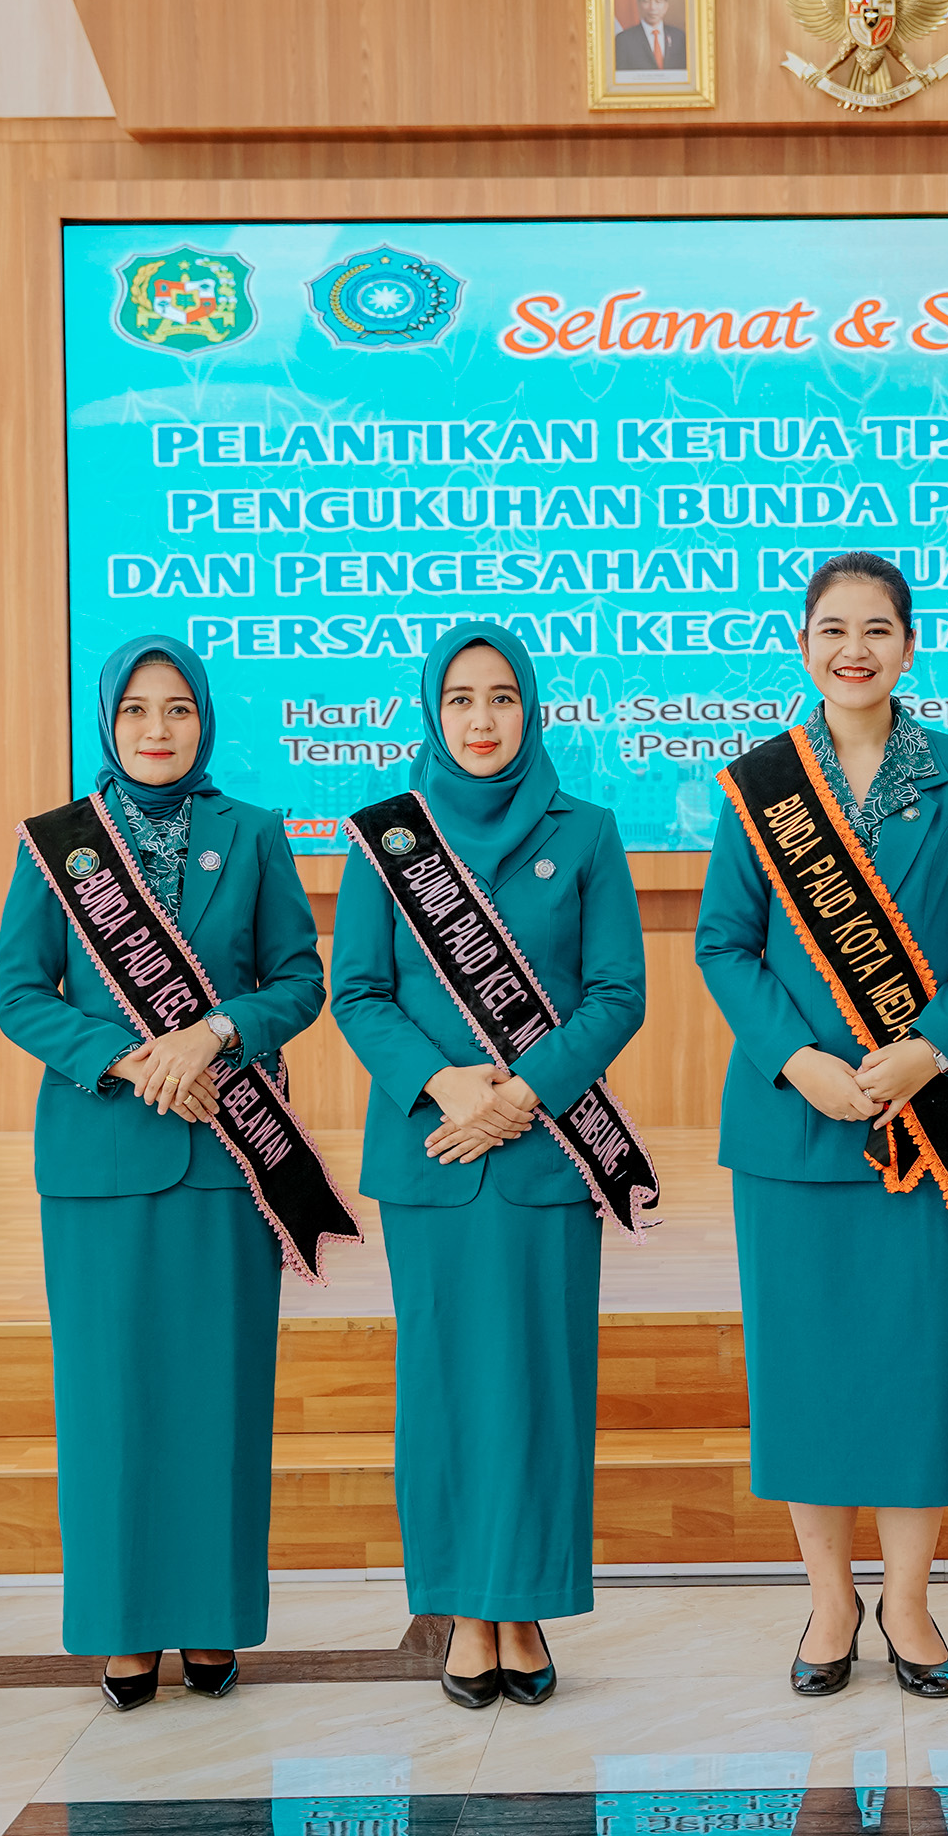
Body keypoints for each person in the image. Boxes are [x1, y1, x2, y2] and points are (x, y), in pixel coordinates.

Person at [696, 551, 948, 1701]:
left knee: (919, 1363)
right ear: (803, 645)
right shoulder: (760, 785)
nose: (855, 647)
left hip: (928, 1123)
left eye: (877, 627)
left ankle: (911, 1598)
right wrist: (801, 1058)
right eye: (833, 628)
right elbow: (722, 945)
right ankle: (831, 1594)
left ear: (907, 644)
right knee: (808, 1371)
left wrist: (928, 1046)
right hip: (794, 1131)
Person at [0, 634, 351, 1710]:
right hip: (101, 1162)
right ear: (107, 721)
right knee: (108, 1403)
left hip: (226, 1159)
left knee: (218, 1398)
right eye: (139, 709)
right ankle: (119, 1624)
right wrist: (125, 1054)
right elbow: (19, 990)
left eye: (179, 708)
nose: (158, 727)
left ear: (205, 720)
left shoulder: (251, 832)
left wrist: (219, 1032)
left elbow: (299, 977)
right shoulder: (56, 846)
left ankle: (208, 1619)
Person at [332, 621, 653, 1712]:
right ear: (434, 710)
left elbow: (618, 992)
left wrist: (521, 1092)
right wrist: (446, 1083)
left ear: (532, 708)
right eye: (462, 698)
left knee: (539, 1387)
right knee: (447, 1391)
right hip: (431, 1154)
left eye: (502, 696)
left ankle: (526, 1601)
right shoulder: (385, 838)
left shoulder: (589, 830)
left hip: (547, 1158)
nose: (481, 717)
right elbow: (358, 993)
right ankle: (470, 1610)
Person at [614, 0, 687, 74]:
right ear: (639, 4)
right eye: (646, 1)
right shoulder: (623, 40)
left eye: (658, 1)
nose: (652, 7)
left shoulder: (679, 37)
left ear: (666, 6)